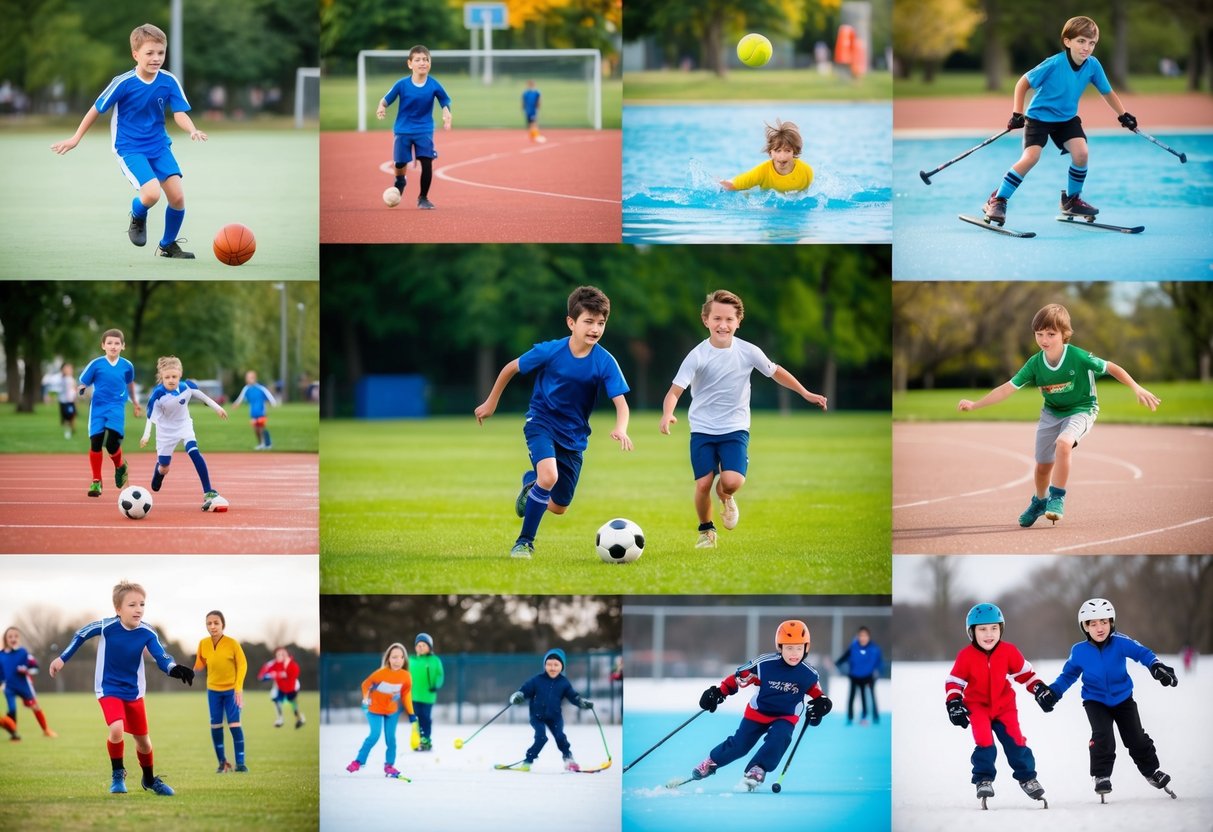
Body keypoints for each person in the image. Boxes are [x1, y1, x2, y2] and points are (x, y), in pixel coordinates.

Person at [958, 303, 1160, 527]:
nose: (1044, 339)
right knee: (1043, 466)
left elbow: (1112, 367)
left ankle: (1057, 497)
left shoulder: (1078, 357)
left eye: (1051, 334)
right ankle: (1040, 501)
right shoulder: (1035, 363)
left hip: (1082, 409)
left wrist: (1136, 387)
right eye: (1039, 333)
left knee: (1064, 444)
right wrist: (975, 405)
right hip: (1051, 413)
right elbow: (1007, 388)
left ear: (1064, 335)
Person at [474, 285, 633, 559]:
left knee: (559, 507)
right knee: (549, 477)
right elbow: (510, 367)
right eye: (588, 321)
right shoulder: (551, 351)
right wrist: (491, 403)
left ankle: (530, 483)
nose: (595, 328)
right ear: (571, 322)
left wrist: (621, 427)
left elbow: (621, 403)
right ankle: (524, 542)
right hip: (541, 421)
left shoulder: (605, 362)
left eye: (601, 323)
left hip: (574, 437)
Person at [660, 290, 827, 548]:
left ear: (738, 321)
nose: (722, 325)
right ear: (705, 320)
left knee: (731, 481)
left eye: (729, 319)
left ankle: (726, 496)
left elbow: (776, 372)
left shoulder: (748, 351)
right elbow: (674, 392)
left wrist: (804, 392)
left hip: (735, 428)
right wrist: (668, 413)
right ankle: (707, 532)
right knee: (703, 483)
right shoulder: (697, 355)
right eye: (716, 318)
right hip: (702, 430)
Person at [50, 23, 207, 258]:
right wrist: (76, 138)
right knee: (152, 194)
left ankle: (167, 245)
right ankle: (138, 215)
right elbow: (96, 108)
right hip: (129, 147)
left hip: (159, 145)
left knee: (177, 197)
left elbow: (179, 113)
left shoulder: (168, 81)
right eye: (149, 53)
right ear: (135, 54)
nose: (156, 58)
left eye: (161, 53)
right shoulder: (123, 82)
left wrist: (192, 130)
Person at [981, 15, 1136, 223]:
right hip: (1038, 118)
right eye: (1081, 41)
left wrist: (1123, 114)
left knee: (1081, 154)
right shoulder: (1053, 63)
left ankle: (1071, 201)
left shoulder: (1093, 65)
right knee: (1031, 157)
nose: (1087, 48)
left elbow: (1107, 92)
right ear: (1067, 41)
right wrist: (1017, 113)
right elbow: (1022, 83)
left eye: (1092, 43)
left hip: (1066, 119)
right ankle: (997, 200)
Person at [48, 580, 194, 796]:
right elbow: (80, 634)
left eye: (142, 604)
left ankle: (150, 779)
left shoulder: (147, 632)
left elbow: (161, 656)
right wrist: (62, 658)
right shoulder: (107, 626)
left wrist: (174, 668)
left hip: (134, 692)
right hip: (108, 689)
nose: (139, 609)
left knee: (143, 740)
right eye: (132, 605)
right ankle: (118, 775)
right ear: (118, 609)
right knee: (116, 729)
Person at [1035, 598, 1177, 799]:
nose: (1099, 628)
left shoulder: (1121, 642)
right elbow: (1068, 675)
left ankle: (1152, 771)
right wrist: (1054, 692)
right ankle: (1101, 776)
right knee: (1103, 736)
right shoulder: (1079, 651)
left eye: (1104, 622)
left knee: (1135, 737)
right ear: (1085, 627)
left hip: (1123, 699)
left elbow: (1142, 653)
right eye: (1093, 624)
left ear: (1111, 622)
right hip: (1095, 701)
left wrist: (1156, 666)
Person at [690, 620, 832, 791]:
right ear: (780, 647)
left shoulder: (808, 674)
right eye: (788, 648)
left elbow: (818, 694)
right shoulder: (765, 665)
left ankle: (758, 767)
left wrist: (821, 705)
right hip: (758, 713)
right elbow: (739, 677)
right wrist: (719, 692)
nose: (794, 653)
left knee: (780, 736)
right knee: (740, 745)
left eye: (798, 648)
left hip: (785, 716)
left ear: (806, 648)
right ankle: (712, 762)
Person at [945, 603, 1047, 805]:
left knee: (1016, 742)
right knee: (984, 742)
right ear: (972, 632)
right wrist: (954, 702)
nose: (989, 634)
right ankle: (983, 779)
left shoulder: (1009, 651)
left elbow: (1025, 674)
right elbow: (954, 682)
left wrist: (1039, 688)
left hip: (1004, 706)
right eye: (982, 629)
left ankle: (1028, 778)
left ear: (1001, 629)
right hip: (977, 706)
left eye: (994, 628)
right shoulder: (966, 656)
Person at [140, 356, 229, 513]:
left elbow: (203, 397)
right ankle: (159, 472)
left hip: (184, 425)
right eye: (167, 377)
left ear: (180, 375)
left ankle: (208, 491)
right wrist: (146, 435)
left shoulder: (187, 386)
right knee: (164, 467)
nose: (171, 380)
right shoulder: (158, 394)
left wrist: (218, 408)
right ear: (162, 377)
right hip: (165, 432)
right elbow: (149, 417)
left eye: (174, 376)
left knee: (194, 451)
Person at [375, 45, 452, 210]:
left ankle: (423, 197)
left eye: (426, 59)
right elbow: (386, 98)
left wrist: (446, 112)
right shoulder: (402, 84)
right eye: (418, 60)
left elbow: (444, 101)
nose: (422, 63)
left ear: (430, 63)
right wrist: (382, 106)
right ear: (410, 64)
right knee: (400, 162)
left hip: (424, 129)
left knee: (427, 161)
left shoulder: (434, 85)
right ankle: (400, 181)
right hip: (403, 130)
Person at [78, 329, 143, 498]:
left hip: (116, 406)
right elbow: (83, 381)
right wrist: (82, 388)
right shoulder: (96, 364)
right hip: (98, 407)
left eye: (117, 343)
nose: (113, 346)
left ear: (123, 346)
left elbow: (129, 385)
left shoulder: (127, 366)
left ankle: (120, 466)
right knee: (96, 442)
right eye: (109, 343)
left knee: (112, 443)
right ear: (103, 345)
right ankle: (96, 481)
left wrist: (135, 402)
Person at [506, 648, 593, 772]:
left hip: (555, 717)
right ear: (545, 665)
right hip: (537, 716)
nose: (552, 668)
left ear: (562, 666)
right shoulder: (537, 680)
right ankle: (528, 761)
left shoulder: (564, 683)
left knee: (560, 737)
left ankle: (569, 760)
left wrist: (581, 702)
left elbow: (573, 696)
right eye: (549, 664)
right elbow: (524, 690)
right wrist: (518, 696)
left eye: (556, 665)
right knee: (541, 737)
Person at [346, 643, 417, 778]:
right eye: (394, 657)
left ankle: (389, 766)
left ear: (404, 660)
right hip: (374, 710)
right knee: (374, 735)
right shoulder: (380, 674)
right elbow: (365, 685)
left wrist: (411, 713)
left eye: (401, 657)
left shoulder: (406, 676)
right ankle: (358, 761)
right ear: (388, 658)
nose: (398, 661)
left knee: (391, 739)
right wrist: (366, 699)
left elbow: (406, 695)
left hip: (391, 711)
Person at [193, 610, 248, 773]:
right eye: (209, 623)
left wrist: (238, 687)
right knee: (216, 725)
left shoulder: (232, 643)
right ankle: (222, 763)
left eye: (216, 623)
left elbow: (243, 665)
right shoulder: (203, 643)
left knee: (234, 724)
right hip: (213, 691)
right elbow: (199, 664)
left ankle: (241, 764)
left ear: (223, 624)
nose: (212, 626)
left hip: (232, 691)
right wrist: (187, 672)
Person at [720, 119, 813, 193]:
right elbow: (731, 185)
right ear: (770, 152)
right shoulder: (762, 172)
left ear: (794, 151)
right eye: (777, 151)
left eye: (787, 151)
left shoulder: (806, 172)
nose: (782, 156)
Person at [0, 627, 56, 738]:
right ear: (5, 639)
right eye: (10, 636)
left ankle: (46, 730)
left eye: (16, 636)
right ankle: (14, 734)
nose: (13, 638)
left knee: (35, 707)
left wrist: (26, 670)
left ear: (19, 638)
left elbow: (35, 668)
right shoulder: (1, 655)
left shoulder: (23, 653)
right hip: (9, 688)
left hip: (23, 686)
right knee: (12, 709)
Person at [835, 625, 882, 725]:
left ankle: (871, 716)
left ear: (868, 637)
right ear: (858, 636)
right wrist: (836, 664)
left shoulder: (873, 649)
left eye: (865, 636)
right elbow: (843, 658)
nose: (863, 638)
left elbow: (878, 662)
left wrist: (877, 673)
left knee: (868, 697)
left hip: (868, 677)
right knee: (851, 697)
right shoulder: (853, 647)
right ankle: (850, 717)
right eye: (861, 636)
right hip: (854, 676)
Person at [411, 633, 444, 751]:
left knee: (425, 717)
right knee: (416, 718)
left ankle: (426, 739)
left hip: (428, 696)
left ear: (430, 647)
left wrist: (436, 685)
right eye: (418, 645)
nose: (420, 647)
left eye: (423, 645)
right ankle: (418, 740)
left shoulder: (435, 660)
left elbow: (440, 675)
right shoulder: (411, 660)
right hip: (414, 695)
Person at [258, 646, 305, 729]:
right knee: (276, 699)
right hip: (280, 688)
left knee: (293, 703)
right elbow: (262, 676)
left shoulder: (290, 664)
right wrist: (269, 676)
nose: (280, 656)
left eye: (282, 654)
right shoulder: (272, 664)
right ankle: (280, 719)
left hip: (292, 687)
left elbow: (292, 674)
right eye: (278, 654)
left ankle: (299, 718)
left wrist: (278, 674)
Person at [232, 370, 279, 450]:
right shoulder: (246, 388)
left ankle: (267, 443)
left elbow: (269, 395)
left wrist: (273, 403)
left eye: (249, 377)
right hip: (253, 412)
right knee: (256, 429)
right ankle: (261, 443)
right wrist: (236, 404)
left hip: (261, 411)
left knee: (261, 428)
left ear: (254, 378)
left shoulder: (260, 388)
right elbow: (241, 397)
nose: (247, 379)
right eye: (247, 377)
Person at [60, 363, 78, 439]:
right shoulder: (63, 379)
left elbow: (75, 389)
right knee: (66, 417)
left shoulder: (72, 379)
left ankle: (71, 429)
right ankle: (68, 431)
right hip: (64, 401)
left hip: (70, 402)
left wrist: (75, 397)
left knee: (71, 416)